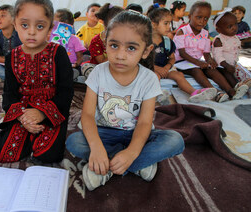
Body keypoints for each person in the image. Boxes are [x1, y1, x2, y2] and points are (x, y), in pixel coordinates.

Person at [66, 11, 184, 191]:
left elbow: (145, 122)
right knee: (73, 141)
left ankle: (108, 167)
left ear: (146, 51)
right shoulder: (98, 73)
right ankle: (133, 164)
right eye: (114, 45)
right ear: (105, 42)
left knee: (175, 140)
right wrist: (97, 148)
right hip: (104, 133)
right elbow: (88, 115)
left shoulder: (149, 79)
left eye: (131, 48)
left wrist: (132, 152)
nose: (120, 55)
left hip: (137, 136)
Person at [0, 0, 74, 163]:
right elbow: (9, 93)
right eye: (25, 25)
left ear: (49, 28)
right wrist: (22, 118)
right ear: (15, 25)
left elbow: (66, 92)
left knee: (48, 155)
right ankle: (25, 132)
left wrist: (42, 112)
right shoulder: (11, 56)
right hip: (23, 111)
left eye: (40, 26)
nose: (31, 32)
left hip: (52, 110)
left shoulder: (58, 53)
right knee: (4, 152)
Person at [173, 1, 247, 102]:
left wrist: (210, 60)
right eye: (199, 17)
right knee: (197, 70)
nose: (202, 21)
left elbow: (206, 53)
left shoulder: (205, 34)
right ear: (190, 17)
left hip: (197, 62)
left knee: (212, 69)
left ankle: (231, 91)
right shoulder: (182, 32)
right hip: (182, 62)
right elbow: (182, 53)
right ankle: (216, 93)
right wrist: (198, 62)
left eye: (205, 19)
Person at [148, 6, 217, 102]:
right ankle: (156, 95)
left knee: (179, 75)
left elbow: (172, 58)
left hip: (165, 68)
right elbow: (141, 60)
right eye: (166, 23)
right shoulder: (146, 42)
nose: (169, 27)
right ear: (154, 24)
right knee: (156, 76)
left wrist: (167, 67)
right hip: (151, 68)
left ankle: (194, 93)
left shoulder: (168, 41)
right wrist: (157, 69)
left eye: (170, 23)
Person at [212, 10, 251, 95]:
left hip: (233, 64)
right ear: (219, 30)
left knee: (244, 73)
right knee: (228, 75)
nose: (234, 28)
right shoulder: (219, 40)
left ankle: (245, 85)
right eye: (230, 26)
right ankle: (236, 88)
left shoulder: (235, 37)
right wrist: (226, 65)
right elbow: (218, 56)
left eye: (235, 24)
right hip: (222, 66)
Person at [80, 3, 123, 78]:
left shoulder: (126, 38)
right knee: (86, 67)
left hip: (119, 68)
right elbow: (101, 62)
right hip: (100, 68)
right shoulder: (96, 41)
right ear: (105, 23)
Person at [51, 9, 86, 79]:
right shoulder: (51, 38)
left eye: (54, 22)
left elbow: (80, 57)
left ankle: (71, 74)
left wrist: (75, 64)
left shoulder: (74, 39)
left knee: (72, 71)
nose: (52, 23)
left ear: (63, 24)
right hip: (55, 65)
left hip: (71, 66)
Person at [0, 4, 22, 81]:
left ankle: (8, 79)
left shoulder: (20, 34)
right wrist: (7, 60)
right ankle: (14, 79)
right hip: (5, 64)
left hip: (19, 64)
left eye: (3, 16)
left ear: (13, 20)